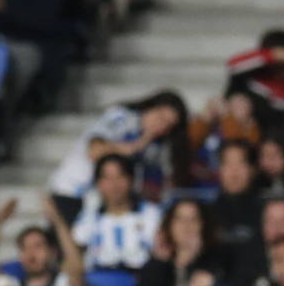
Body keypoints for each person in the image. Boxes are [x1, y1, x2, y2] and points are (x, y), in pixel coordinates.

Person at [47, 92, 189, 222]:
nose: (160, 125)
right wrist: (137, 145)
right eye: (160, 117)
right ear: (150, 107)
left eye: (168, 125)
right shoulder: (121, 117)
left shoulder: (155, 146)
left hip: (99, 202)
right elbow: (95, 151)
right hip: (71, 192)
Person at [71, 154, 162, 271]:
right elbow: (75, 248)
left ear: (131, 180)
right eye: (107, 178)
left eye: (120, 177)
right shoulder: (89, 217)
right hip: (98, 282)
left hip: (142, 279)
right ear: (98, 184)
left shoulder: (151, 213)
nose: (114, 185)